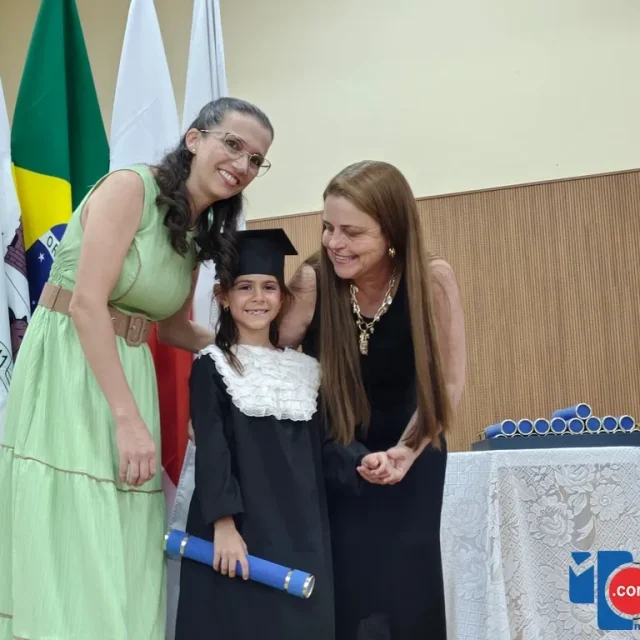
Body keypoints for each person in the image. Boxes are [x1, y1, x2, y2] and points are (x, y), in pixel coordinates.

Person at [0, 97, 274, 640]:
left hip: (129, 370)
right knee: (75, 525)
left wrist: (250, 351)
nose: (242, 164)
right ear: (194, 139)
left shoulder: (196, 227)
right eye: (233, 145)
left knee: (121, 535)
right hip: (72, 366)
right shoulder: (130, 188)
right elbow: (86, 305)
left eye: (255, 159)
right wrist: (128, 420)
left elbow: (171, 329)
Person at [279, 160, 467, 640]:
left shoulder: (431, 280)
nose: (334, 243)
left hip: (414, 461)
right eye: (328, 227)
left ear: (392, 233)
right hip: (337, 465)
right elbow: (264, 360)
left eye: (352, 232)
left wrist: (407, 449)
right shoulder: (313, 281)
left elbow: (447, 385)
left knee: (410, 602)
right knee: (344, 603)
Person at [174, 228, 390, 640]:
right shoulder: (212, 365)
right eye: (245, 287)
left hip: (301, 530)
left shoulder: (306, 369)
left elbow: (327, 444)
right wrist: (223, 525)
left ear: (283, 298)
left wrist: (362, 461)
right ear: (223, 296)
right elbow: (213, 449)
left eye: (269, 287)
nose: (258, 297)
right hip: (241, 531)